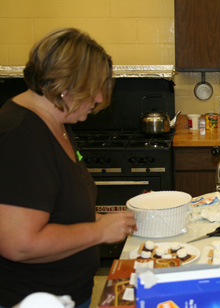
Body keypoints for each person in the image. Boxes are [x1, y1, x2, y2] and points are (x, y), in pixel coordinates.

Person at [0, 28, 137, 308]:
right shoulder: (19, 135)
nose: (99, 98)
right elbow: (19, 243)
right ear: (65, 84)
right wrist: (99, 232)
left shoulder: (57, 122)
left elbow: (55, 208)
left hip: (70, 293)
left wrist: (99, 219)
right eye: (93, 88)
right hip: (33, 299)